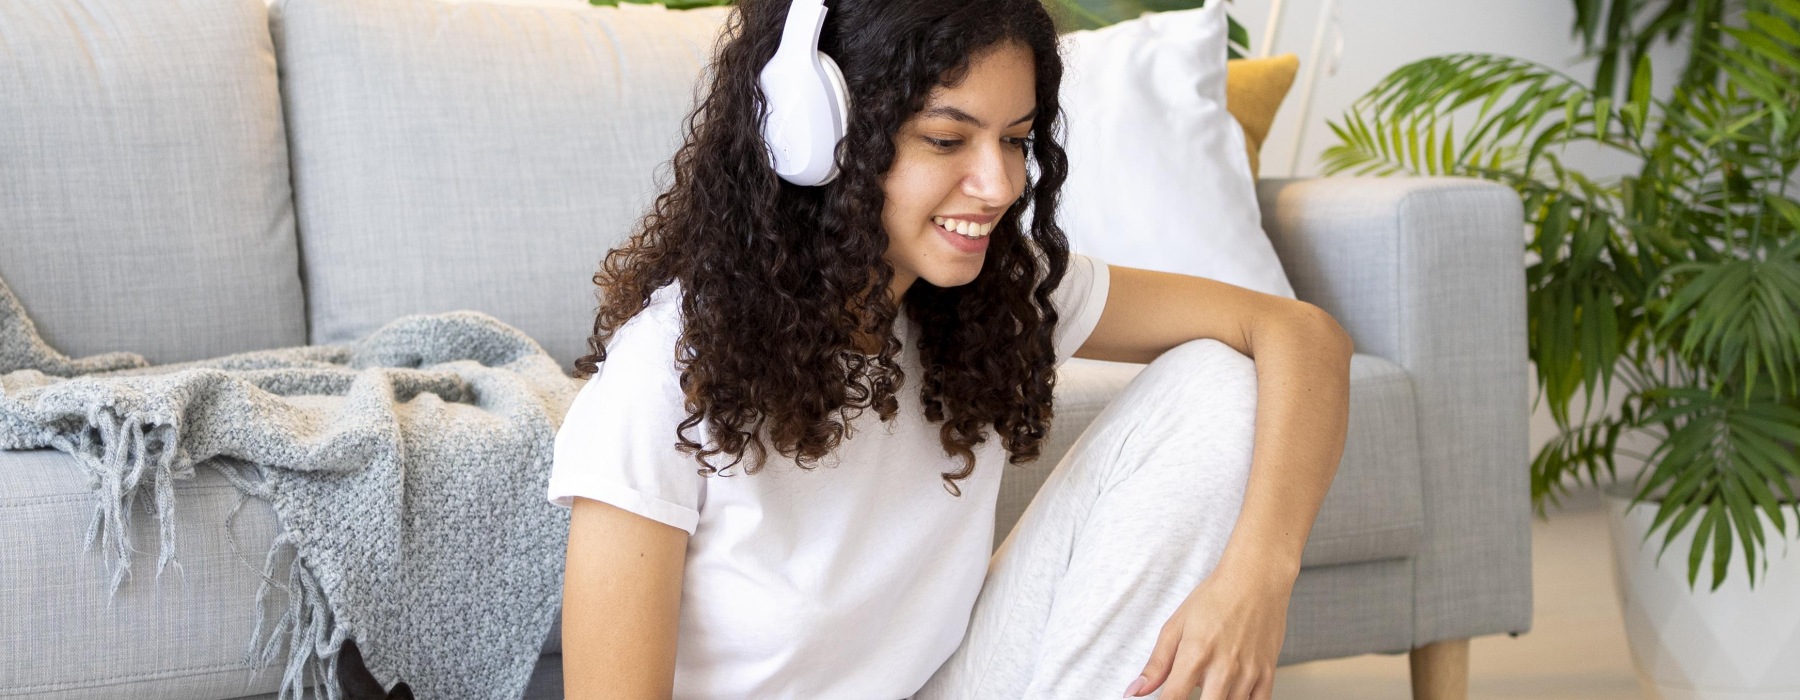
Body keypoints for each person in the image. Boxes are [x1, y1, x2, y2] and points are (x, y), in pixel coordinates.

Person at [548, 0, 1352, 697]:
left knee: (1216, 383)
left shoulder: (996, 294)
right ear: (819, 139)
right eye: (946, 140)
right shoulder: (665, 374)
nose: (999, 186)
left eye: (1014, 140)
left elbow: (1299, 334)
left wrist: (1258, 581)